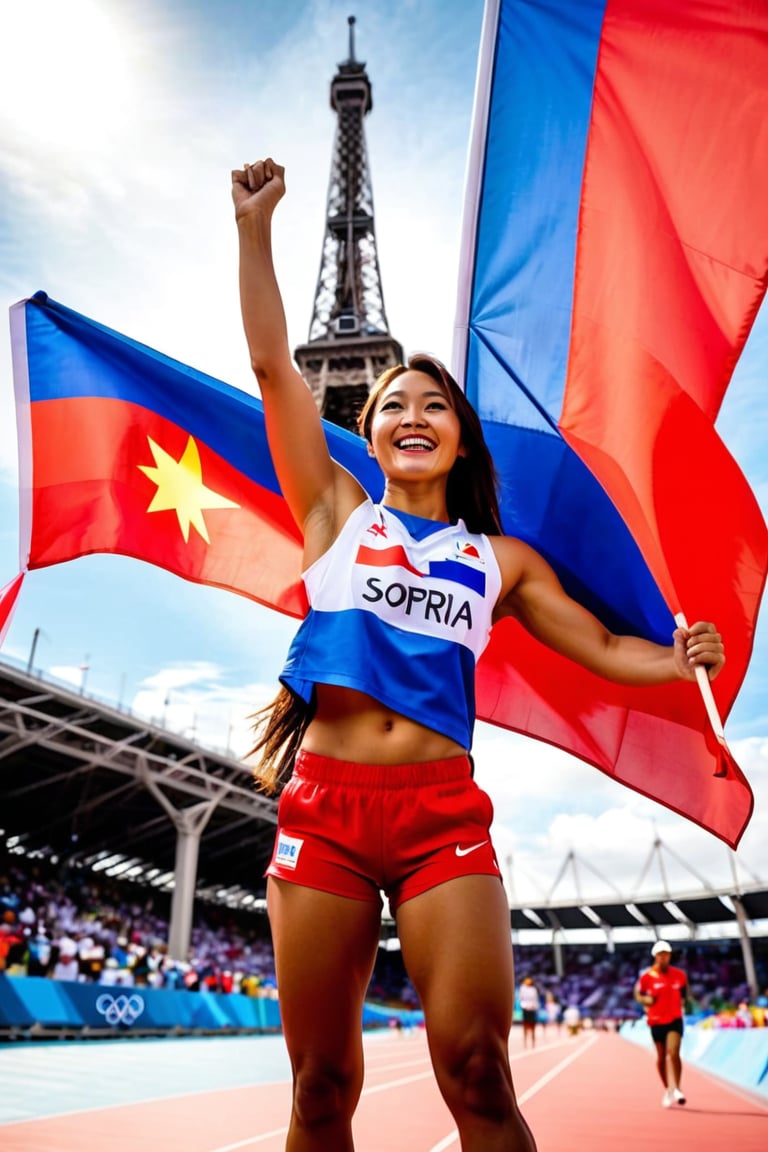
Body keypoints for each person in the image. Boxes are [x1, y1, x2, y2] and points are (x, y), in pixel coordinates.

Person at [231, 157, 726, 1152]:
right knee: (320, 1089)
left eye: (435, 406)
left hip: (440, 821)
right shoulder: (333, 513)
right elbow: (276, 369)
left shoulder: (499, 561)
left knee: (478, 1074)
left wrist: (677, 662)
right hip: (322, 814)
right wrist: (253, 230)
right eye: (393, 406)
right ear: (367, 435)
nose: (413, 415)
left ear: (460, 441)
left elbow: (599, 646)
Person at [634, 940, 690, 1107]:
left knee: (673, 1053)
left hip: (674, 1019)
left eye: (666, 954)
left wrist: (682, 1005)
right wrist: (646, 1000)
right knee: (661, 1057)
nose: (663, 958)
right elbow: (639, 995)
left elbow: (685, 995)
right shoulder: (647, 977)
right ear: (655, 956)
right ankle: (668, 1089)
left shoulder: (680, 975)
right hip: (656, 1021)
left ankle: (678, 1088)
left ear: (670, 956)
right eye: (660, 955)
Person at [518, 977, 540, 1048]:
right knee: (525, 1026)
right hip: (525, 1009)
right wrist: (524, 1006)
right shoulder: (522, 988)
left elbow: (535, 999)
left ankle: (533, 1043)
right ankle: (525, 1043)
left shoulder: (533, 989)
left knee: (533, 1026)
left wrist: (535, 1007)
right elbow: (521, 998)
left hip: (532, 1009)